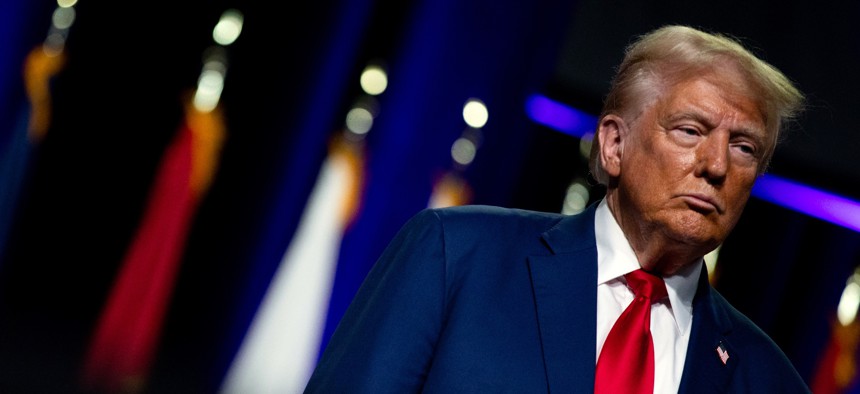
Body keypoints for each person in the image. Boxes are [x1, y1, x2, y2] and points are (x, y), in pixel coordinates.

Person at [304, 25, 809, 393]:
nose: (717, 165)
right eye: (690, 131)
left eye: (744, 148)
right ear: (614, 145)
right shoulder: (456, 256)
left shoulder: (766, 377)